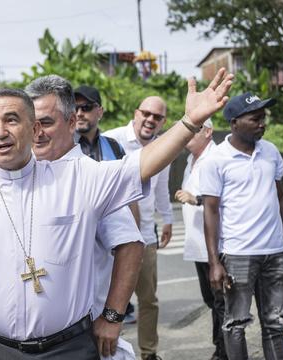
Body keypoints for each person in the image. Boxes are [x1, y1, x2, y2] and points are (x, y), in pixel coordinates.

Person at [0, 68, 234, 360]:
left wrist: (190, 122)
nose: (0, 131)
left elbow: (142, 166)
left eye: (11, 120)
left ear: (33, 130)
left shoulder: (78, 178)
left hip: (69, 347)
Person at [25, 75, 143, 359]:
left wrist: (113, 317)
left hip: (83, 338)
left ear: (70, 123)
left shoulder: (91, 176)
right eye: (32, 125)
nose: (38, 133)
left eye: (47, 123)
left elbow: (130, 245)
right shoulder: (26, 176)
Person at [201, 92, 283, 360]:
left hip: (274, 254)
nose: (262, 123)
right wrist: (215, 262)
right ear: (235, 122)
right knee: (236, 325)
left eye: (264, 118)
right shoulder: (216, 159)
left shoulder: (270, 151)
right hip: (238, 255)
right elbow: (210, 211)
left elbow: (280, 199)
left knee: (275, 324)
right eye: (255, 118)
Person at [103, 96, 174, 360]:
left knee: (148, 300)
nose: (150, 120)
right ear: (136, 114)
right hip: (108, 238)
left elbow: (162, 188)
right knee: (104, 301)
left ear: (163, 122)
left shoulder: (163, 146)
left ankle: (149, 352)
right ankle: (108, 352)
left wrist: (167, 218)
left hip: (145, 235)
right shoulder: (111, 141)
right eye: (146, 113)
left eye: (157, 117)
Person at [74, 84, 140, 324]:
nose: (80, 113)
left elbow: (129, 194)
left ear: (99, 111)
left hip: (113, 237)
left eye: (86, 107)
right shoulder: (63, 147)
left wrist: (133, 233)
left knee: (109, 298)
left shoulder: (113, 146)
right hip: (79, 241)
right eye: (75, 107)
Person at [174, 119, 227, 359]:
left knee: (220, 301)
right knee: (211, 299)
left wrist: (196, 199)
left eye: (194, 131)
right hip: (197, 244)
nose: (188, 136)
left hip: (216, 245)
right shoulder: (189, 161)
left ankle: (224, 351)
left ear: (208, 132)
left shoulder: (216, 159)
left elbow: (226, 198)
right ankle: (223, 346)